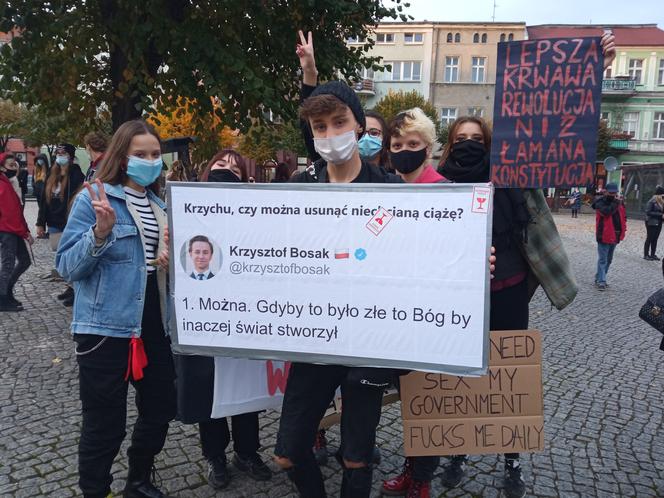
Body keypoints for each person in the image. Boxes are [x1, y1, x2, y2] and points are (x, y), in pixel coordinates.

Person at [274, 30, 402, 498]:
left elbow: (425, 249)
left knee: (356, 455)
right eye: (320, 128)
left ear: (359, 124)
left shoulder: (390, 191)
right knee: (288, 450)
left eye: (339, 122)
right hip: (314, 334)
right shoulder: (302, 190)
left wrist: (472, 259)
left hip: (368, 336)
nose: (330, 135)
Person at [56, 119, 175, 498]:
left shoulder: (160, 205)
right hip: (105, 328)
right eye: (141, 154)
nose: (150, 160)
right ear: (123, 158)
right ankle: (96, 490)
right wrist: (100, 233)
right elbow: (67, 267)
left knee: (161, 408)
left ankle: (138, 478)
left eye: (155, 154)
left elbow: (151, 265)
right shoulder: (95, 199)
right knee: (105, 423)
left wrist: (166, 262)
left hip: (154, 326)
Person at [175, 151, 272, 490]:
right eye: (221, 165)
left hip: (243, 320)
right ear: (207, 169)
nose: (227, 171)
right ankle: (215, 455)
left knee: (244, 390)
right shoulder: (185, 212)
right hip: (204, 320)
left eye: (235, 168)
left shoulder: (253, 215)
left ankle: (247, 452)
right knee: (208, 390)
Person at [37, 144, 85, 306]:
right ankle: (69, 286)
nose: (59, 155)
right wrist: (40, 223)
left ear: (70, 156)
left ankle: (74, 288)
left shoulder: (76, 174)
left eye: (63, 153)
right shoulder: (52, 173)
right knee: (60, 256)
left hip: (69, 222)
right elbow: (44, 200)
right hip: (54, 222)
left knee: (71, 255)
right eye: (58, 153)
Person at [0, 155, 33, 311]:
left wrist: (25, 230)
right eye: (11, 165)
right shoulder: (3, 184)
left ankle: (6, 290)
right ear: (2, 167)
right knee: (8, 264)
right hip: (7, 230)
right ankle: (2, 298)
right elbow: (10, 213)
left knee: (25, 260)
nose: (15, 168)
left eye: (16, 165)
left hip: (13, 229)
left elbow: (18, 212)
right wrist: (23, 232)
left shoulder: (10, 183)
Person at [592, 182, 627, 290]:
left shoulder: (619, 203)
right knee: (603, 259)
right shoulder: (600, 202)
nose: (613, 195)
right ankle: (601, 281)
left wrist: (624, 228)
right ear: (605, 192)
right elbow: (606, 212)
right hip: (604, 235)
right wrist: (616, 202)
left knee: (609, 259)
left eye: (614, 192)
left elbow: (623, 216)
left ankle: (599, 277)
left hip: (615, 235)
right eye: (611, 192)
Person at [644, 186, 664, 260]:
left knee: (655, 239)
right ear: (658, 195)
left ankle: (653, 254)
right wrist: (660, 215)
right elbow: (648, 212)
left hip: (659, 222)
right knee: (650, 238)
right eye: (662, 195)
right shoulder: (652, 201)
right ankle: (646, 254)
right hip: (651, 222)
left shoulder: (661, 202)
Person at [33, 154, 50, 226]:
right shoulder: (36, 170)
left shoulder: (47, 171)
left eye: (41, 160)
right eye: (38, 160)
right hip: (38, 193)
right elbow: (34, 181)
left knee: (46, 210)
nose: (39, 161)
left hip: (44, 193)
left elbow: (45, 181)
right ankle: (42, 227)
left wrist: (44, 169)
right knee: (41, 210)